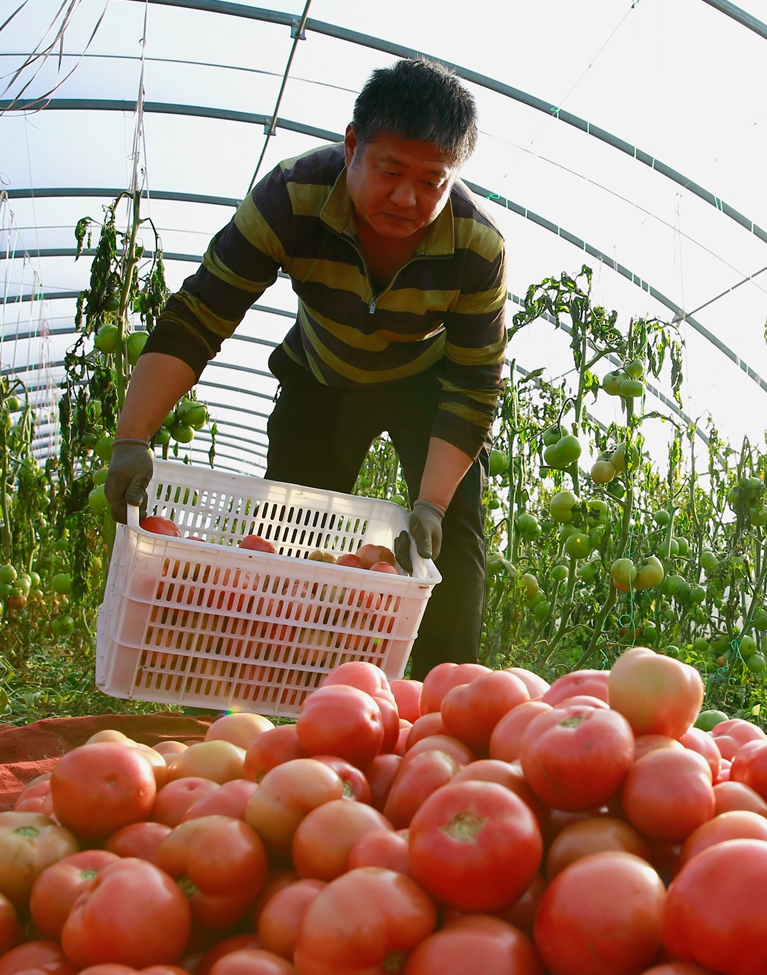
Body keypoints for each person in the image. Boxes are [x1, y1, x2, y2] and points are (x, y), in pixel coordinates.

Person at [104, 58, 505, 680]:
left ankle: (444, 702)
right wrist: (134, 437)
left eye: (432, 181)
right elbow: (203, 311)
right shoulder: (293, 197)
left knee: (448, 539)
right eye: (391, 170)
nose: (407, 197)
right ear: (352, 147)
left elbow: (475, 383)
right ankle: (282, 684)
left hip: (425, 387)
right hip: (321, 377)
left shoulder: (477, 247)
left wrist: (428, 503)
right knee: (291, 540)